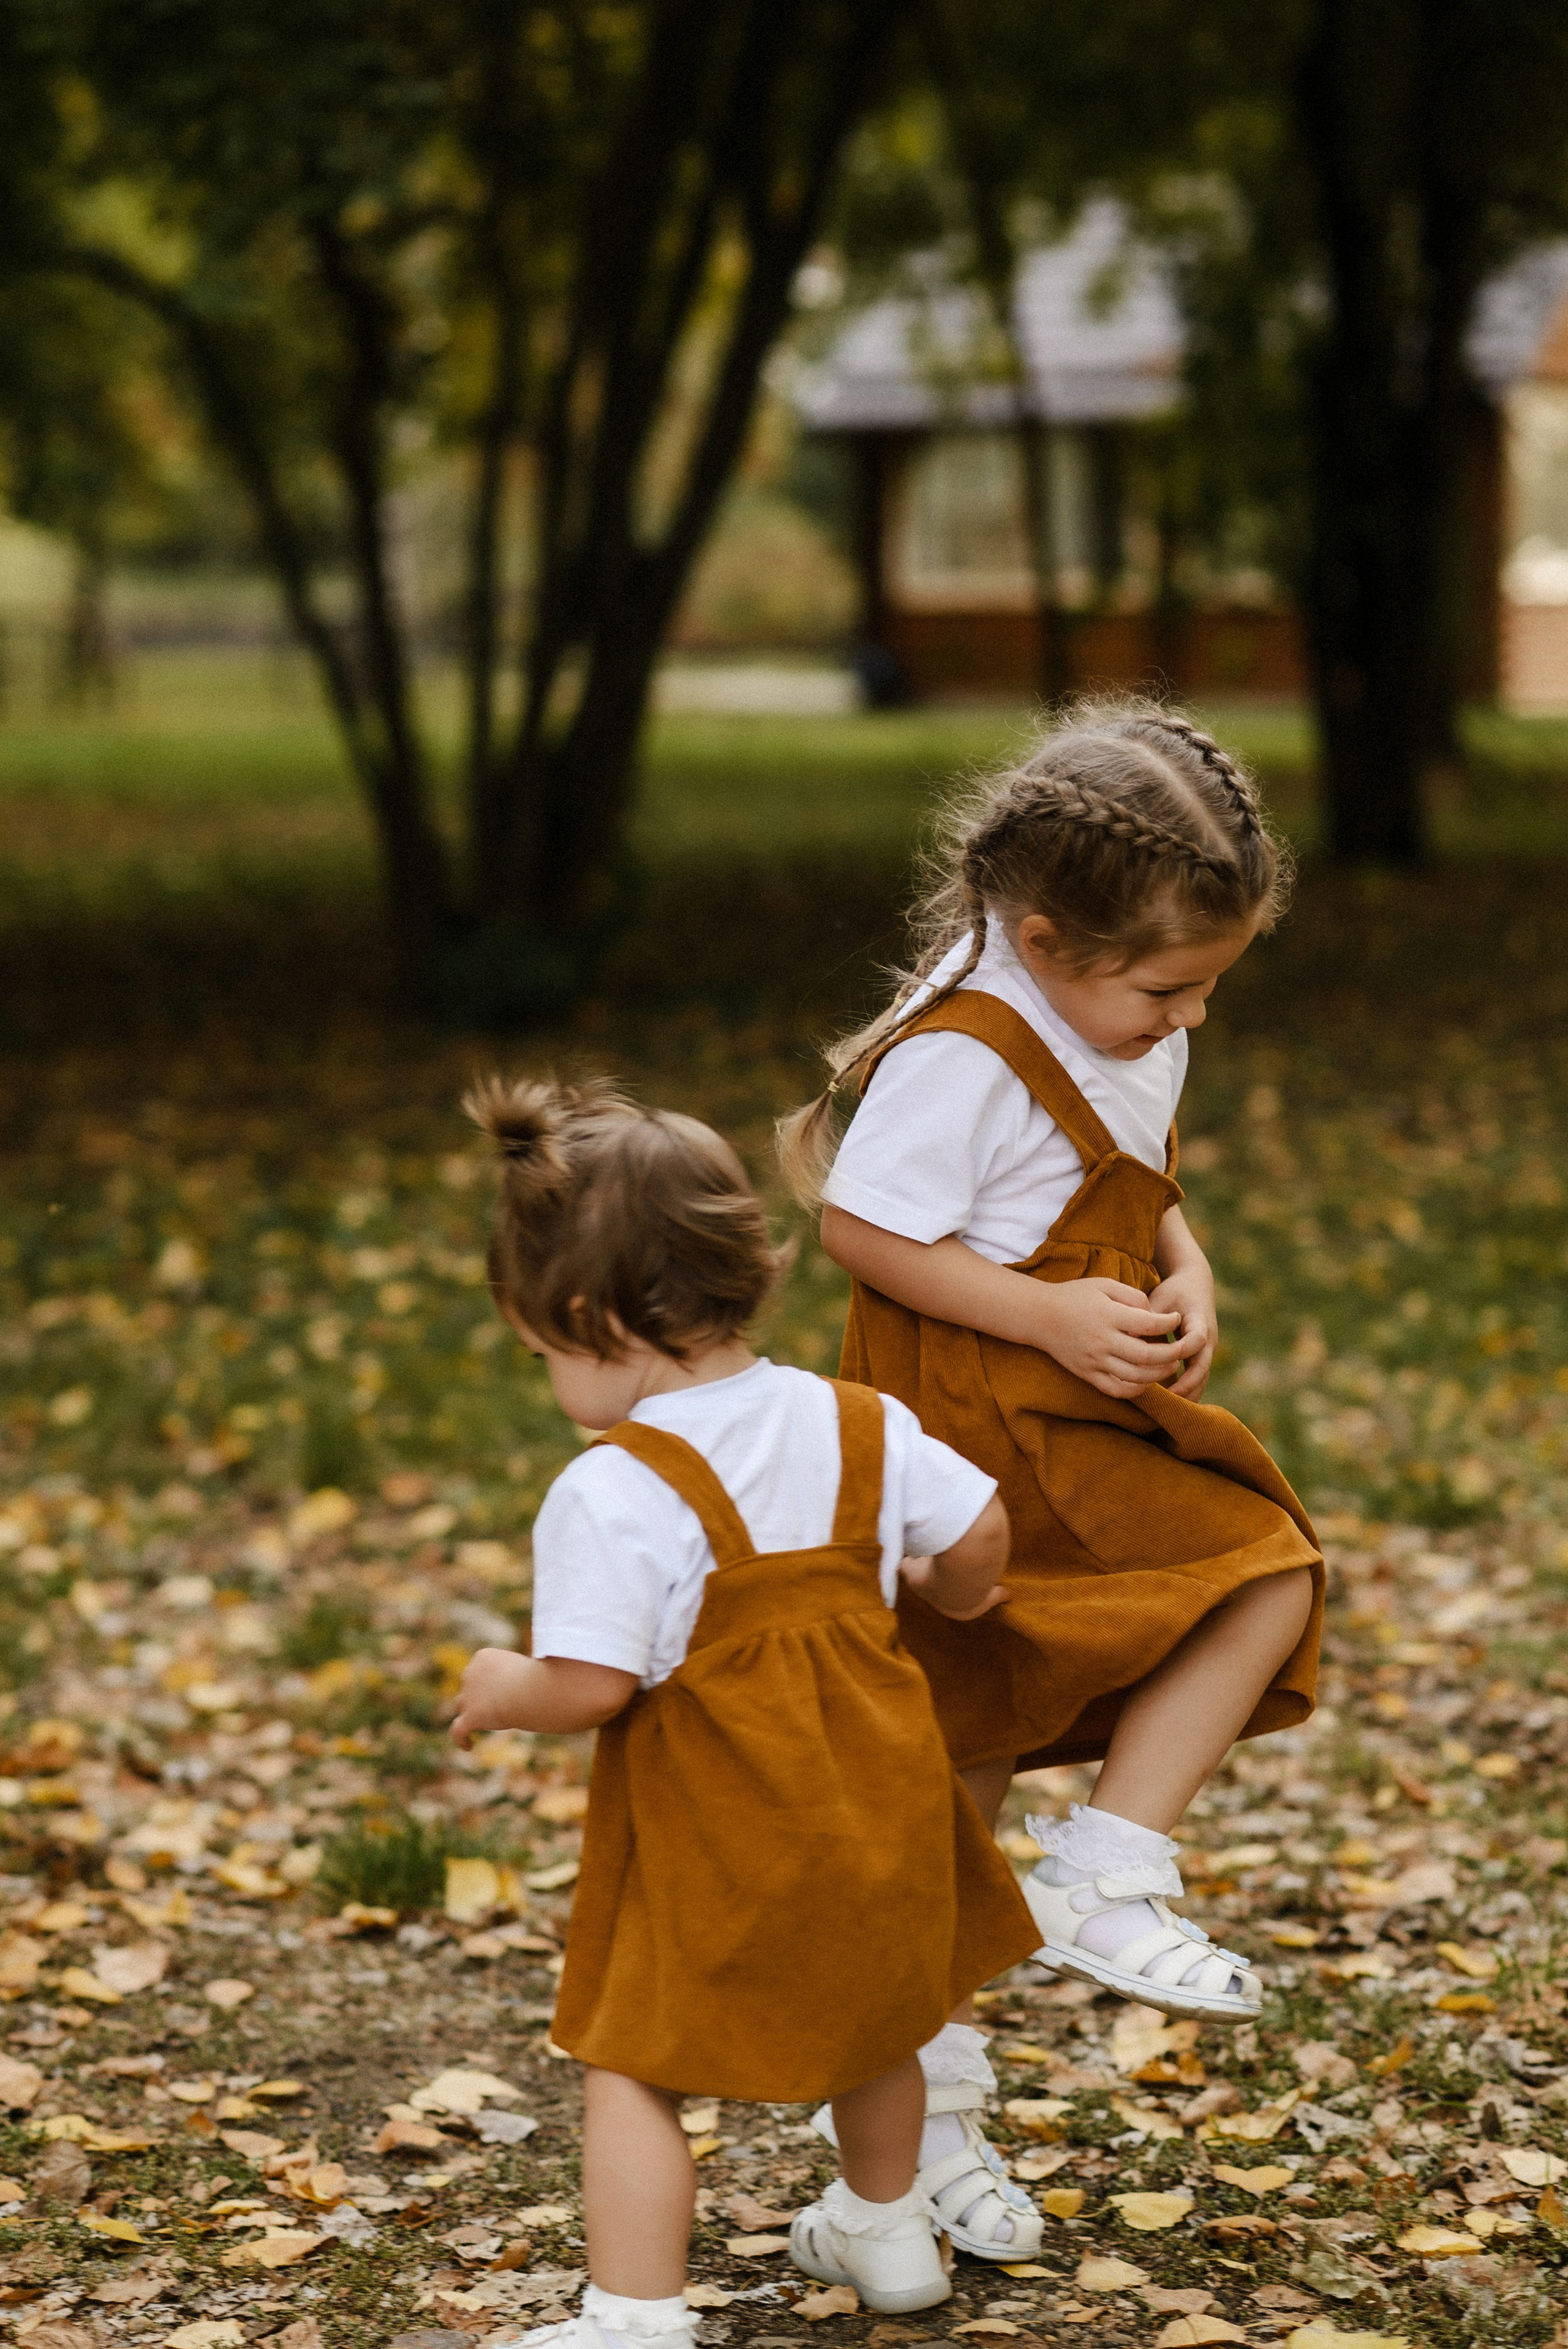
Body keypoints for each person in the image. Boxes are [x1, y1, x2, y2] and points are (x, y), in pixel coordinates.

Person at [778, 699, 1325, 2224]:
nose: (1189, 1020)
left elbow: (1123, 1165)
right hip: (968, 1420)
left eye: (1211, 986)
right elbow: (859, 1229)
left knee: (1259, 1567)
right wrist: (1036, 1312)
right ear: (1039, 936)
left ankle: (1107, 1858)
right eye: (1168, 989)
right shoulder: (965, 1047)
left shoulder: (1113, 1008)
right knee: (949, 1779)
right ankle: (920, 2146)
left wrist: (1185, 1259)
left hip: (1077, 1407)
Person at [450, 1076, 1044, 2349]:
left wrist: (506, 1688)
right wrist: (951, 1585)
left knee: (634, 2065)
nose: (546, 1372)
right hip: (880, 1808)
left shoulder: (615, 1487)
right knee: (882, 2019)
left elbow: (595, 1684)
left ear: (579, 1314)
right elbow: (981, 1526)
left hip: (718, 1837)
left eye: (538, 1348)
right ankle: (886, 2233)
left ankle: (635, 2314)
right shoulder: (859, 1423)